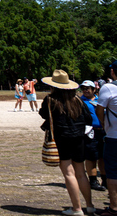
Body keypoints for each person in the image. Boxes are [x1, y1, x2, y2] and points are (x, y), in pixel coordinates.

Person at [40, 69, 94, 216]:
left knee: (69, 174)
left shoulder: (50, 100)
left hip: (62, 139)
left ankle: (77, 209)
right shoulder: (77, 100)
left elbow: (43, 114)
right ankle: (89, 205)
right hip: (78, 138)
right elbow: (88, 118)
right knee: (81, 173)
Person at [96, 61, 117, 216]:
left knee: (113, 173)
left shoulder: (108, 88)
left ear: (112, 72)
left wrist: (104, 126)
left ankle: (114, 208)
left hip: (113, 136)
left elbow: (100, 110)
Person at [81, 81, 107, 192]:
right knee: (91, 157)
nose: (86, 90)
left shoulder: (100, 100)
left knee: (103, 157)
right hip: (89, 132)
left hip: (103, 131)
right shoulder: (80, 101)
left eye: (88, 88)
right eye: (84, 88)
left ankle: (105, 180)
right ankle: (93, 181)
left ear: (94, 89)